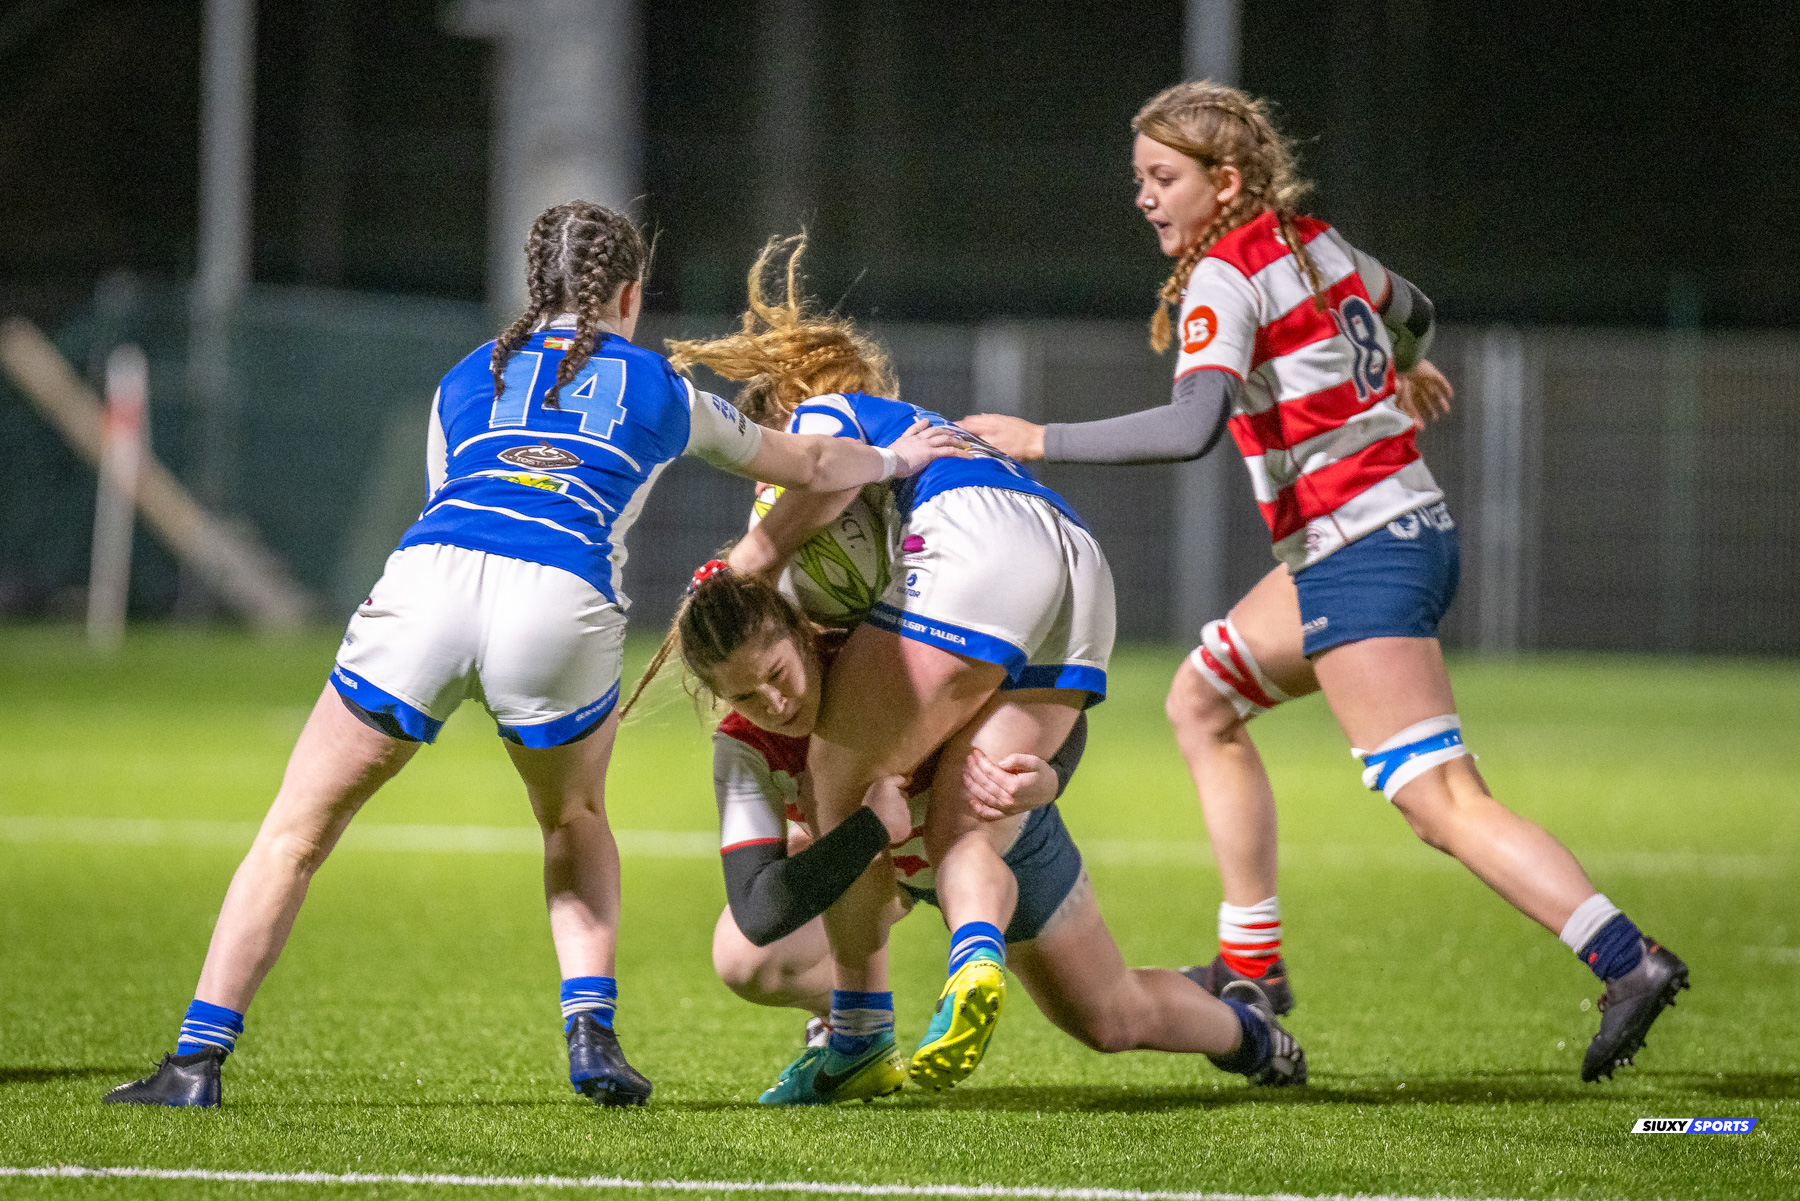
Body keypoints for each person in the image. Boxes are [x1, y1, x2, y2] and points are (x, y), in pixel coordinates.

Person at [103, 201, 967, 1110]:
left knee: (295, 831)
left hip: (431, 580)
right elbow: (813, 466)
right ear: (629, 292)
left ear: (533, 289)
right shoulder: (659, 384)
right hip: (557, 594)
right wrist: (891, 458)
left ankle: (196, 1062)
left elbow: (456, 499)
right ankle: (592, 1036)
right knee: (573, 821)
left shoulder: (466, 374)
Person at [960, 81, 1687, 1083]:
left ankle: (1626, 958)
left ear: (1224, 181)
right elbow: (1415, 309)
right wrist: (1406, 362)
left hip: (1363, 553)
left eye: (1161, 177)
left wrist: (1038, 437)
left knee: (1439, 799)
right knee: (1204, 697)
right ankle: (1252, 966)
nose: (1144, 196)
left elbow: (1189, 426)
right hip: (1389, 534)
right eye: (1139, 178)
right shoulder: (1311, 241)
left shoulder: (1225, 275)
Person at [664, 235, 1115, 1095]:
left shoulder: (826, 425)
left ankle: (861, 1032)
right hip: (1076, 563)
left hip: (983, 542)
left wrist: (745, 564)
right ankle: (972, 956)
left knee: (838, 761)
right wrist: (1046, 777)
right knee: (974, 819)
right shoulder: (890, 493)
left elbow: (821, 478)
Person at [621, 561, 1303, 1104]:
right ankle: (859, 1018)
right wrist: (867, 830)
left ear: (803, 636)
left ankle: (1248, 1029)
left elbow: (1044, 703)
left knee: (1111, 1020)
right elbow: (760, 909)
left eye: (777, 674)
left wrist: (1050, 778)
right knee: (744, 957)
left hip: (995, 840)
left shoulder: (882, 661)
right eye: (743, 696)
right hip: (884, 863)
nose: (774, 704)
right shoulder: (743, 749)